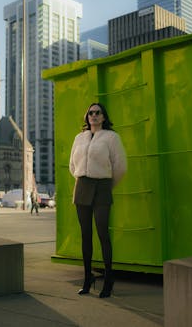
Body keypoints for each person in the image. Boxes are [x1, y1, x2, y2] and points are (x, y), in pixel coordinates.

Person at [69, 102, 127, 298]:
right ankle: (87, 279)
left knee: (103, 233)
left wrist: (107, 185)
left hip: (102, 186)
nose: (93, 115)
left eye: (98, 113)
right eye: (90, 113)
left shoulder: (111, 137)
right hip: (82, 186)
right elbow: (72, 165)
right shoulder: (79, 138)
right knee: (86, 235)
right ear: (87, 117)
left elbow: (120, 166)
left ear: (103, 117)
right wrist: (83, 177)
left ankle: (108, 280)